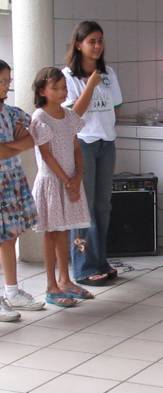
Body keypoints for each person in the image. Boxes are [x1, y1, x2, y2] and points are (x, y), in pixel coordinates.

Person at [63, 21, 123, 286]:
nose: (98, 46)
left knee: (103, 206)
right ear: (78, 44)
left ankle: (100, 260)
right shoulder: (67, 76)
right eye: (92, 41)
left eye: (100, 41)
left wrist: (106, 129)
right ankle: (83, 266)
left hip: (106, 143)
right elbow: (73, 114)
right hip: (83, 144)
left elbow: (115, 108)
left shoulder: (108, 72)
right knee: (83, 208)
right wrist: (91, 84)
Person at [30, 67, 93, 307]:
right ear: (42, 91)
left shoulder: (69, 116)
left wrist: (77, 176)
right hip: (52, 182)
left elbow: (76, 147)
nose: (61, 92)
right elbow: (46, 155)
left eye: (64, 87)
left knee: (65, 230)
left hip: (70, 181)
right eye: (55, 88)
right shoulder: (40, 117)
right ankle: (51, 286)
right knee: (51, 232)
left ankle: (65, 279)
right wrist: (67, 181)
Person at [0, 60, 45, 321]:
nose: (6, 85)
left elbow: (35, 135)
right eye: (2, 81)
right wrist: (20, 144)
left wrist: (14, 145)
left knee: (10, 236)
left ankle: (13, 290)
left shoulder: (11, 112)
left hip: (12, 179)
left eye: (8, 80)